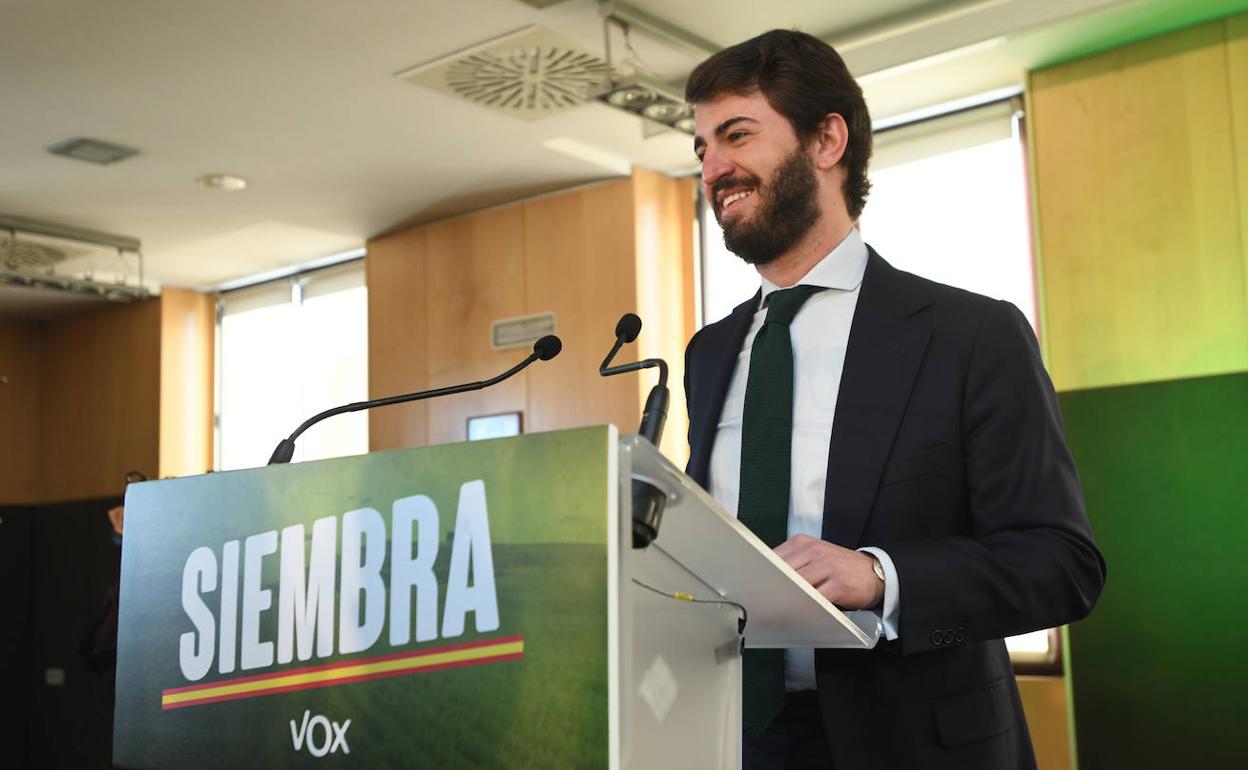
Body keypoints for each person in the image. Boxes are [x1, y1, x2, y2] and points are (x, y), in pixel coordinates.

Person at [682, 30, 1105, 770]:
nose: (714, 168)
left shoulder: (972, 335)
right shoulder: (707, 353)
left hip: (919, 745)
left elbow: (1060, 563)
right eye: (701, 149)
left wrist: (882, 575)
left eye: (736, 135)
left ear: (827, 140)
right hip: (731, 741)